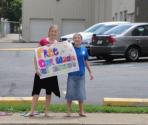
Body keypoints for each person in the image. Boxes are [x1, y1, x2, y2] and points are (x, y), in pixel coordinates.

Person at [28, 25, 60, 117]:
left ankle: (46, 112)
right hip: (41, 71)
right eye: (52, 31)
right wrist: (36, 68)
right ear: (49, 31)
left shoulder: (58, 44)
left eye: (55, 31)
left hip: (51, 72)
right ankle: (32, 111)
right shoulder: (43, 41)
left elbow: (59, 58)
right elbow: (36, 55)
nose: (53, 33)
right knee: (36, 91)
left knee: (49, 92)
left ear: (57, 33)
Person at [65, 33, 93, 117]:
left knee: (81, 93)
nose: (77, 39)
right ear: (73, 40)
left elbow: (86, 61)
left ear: (81, 40)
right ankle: (68, 111)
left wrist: (90, 72)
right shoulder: (70, 49)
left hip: (81, 75)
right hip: (72, 75)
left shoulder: (84, 49)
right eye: (75, 38)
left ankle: (81, 111)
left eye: (79, 38)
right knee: (70, 93)